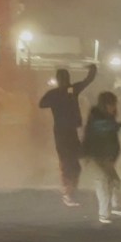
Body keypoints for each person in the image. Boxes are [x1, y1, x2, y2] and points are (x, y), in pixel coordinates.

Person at [39, 64, 97, 206]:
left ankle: (70, 192)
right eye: (63, 78)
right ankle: (68, 193)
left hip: (68, 130)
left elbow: (88, 80)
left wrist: (93, 69)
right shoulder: (65, 91)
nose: (65, 80)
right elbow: (42, 104)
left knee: (74, 163)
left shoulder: (68, 90)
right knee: (68, 163)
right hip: (63, 131)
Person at [82, 92, 121, 224]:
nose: (114, 108)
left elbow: (114, 131)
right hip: (91, 156)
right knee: (103, 181)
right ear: (105, 104)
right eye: (112, 105)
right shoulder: (96, 116)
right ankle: (104, 215)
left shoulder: (107, 117)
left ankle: (117, 207)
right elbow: (108, 128)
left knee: (115, 181)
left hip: (104, 157)